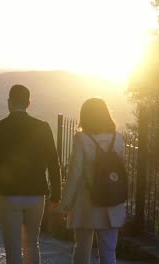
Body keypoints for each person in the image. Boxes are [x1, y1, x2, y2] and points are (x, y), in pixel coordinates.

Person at [0, 84, 61, 264]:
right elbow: (53, 163)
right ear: (29, 103)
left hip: (7, 195)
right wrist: (56, 195)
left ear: (9, 103)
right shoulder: (43, 127)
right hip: (36, 194)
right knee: (32, 244)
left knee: (13, 248)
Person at [60, 98, 126, 264]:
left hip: (86, 203)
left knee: (82, 249)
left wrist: (65, 203)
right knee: (109, 253)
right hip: (112, 201)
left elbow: (74, 174)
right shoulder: (117, 138)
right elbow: (122, 169)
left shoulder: (81, 138)